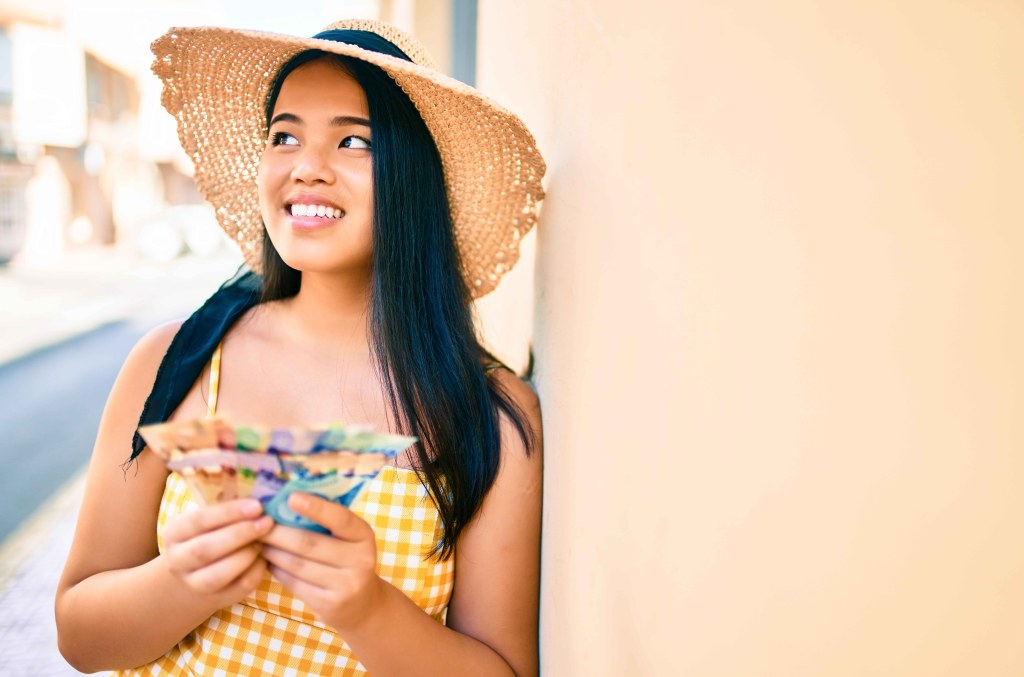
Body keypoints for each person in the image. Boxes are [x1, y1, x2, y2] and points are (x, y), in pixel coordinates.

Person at [55, 18, 545, 676]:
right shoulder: (179, 362)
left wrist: (367, 608)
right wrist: (185, 580)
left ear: (413, 177)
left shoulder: (489, 413)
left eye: (353, 141)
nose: (307, 167)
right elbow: (79, 637)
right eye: (284, 135)